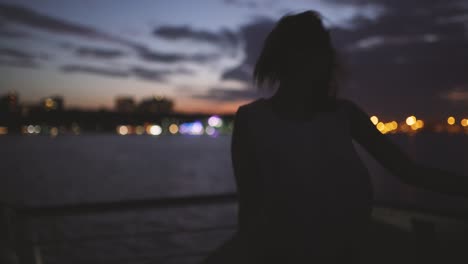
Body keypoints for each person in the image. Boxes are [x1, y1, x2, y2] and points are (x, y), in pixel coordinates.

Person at [202, 10, 467, 264]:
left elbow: (408, 171)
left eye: (320, 49)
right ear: (284, 57)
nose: (319, 59)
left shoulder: (344, 114)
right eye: (307, 49)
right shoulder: (252, 120)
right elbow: (250, 210)